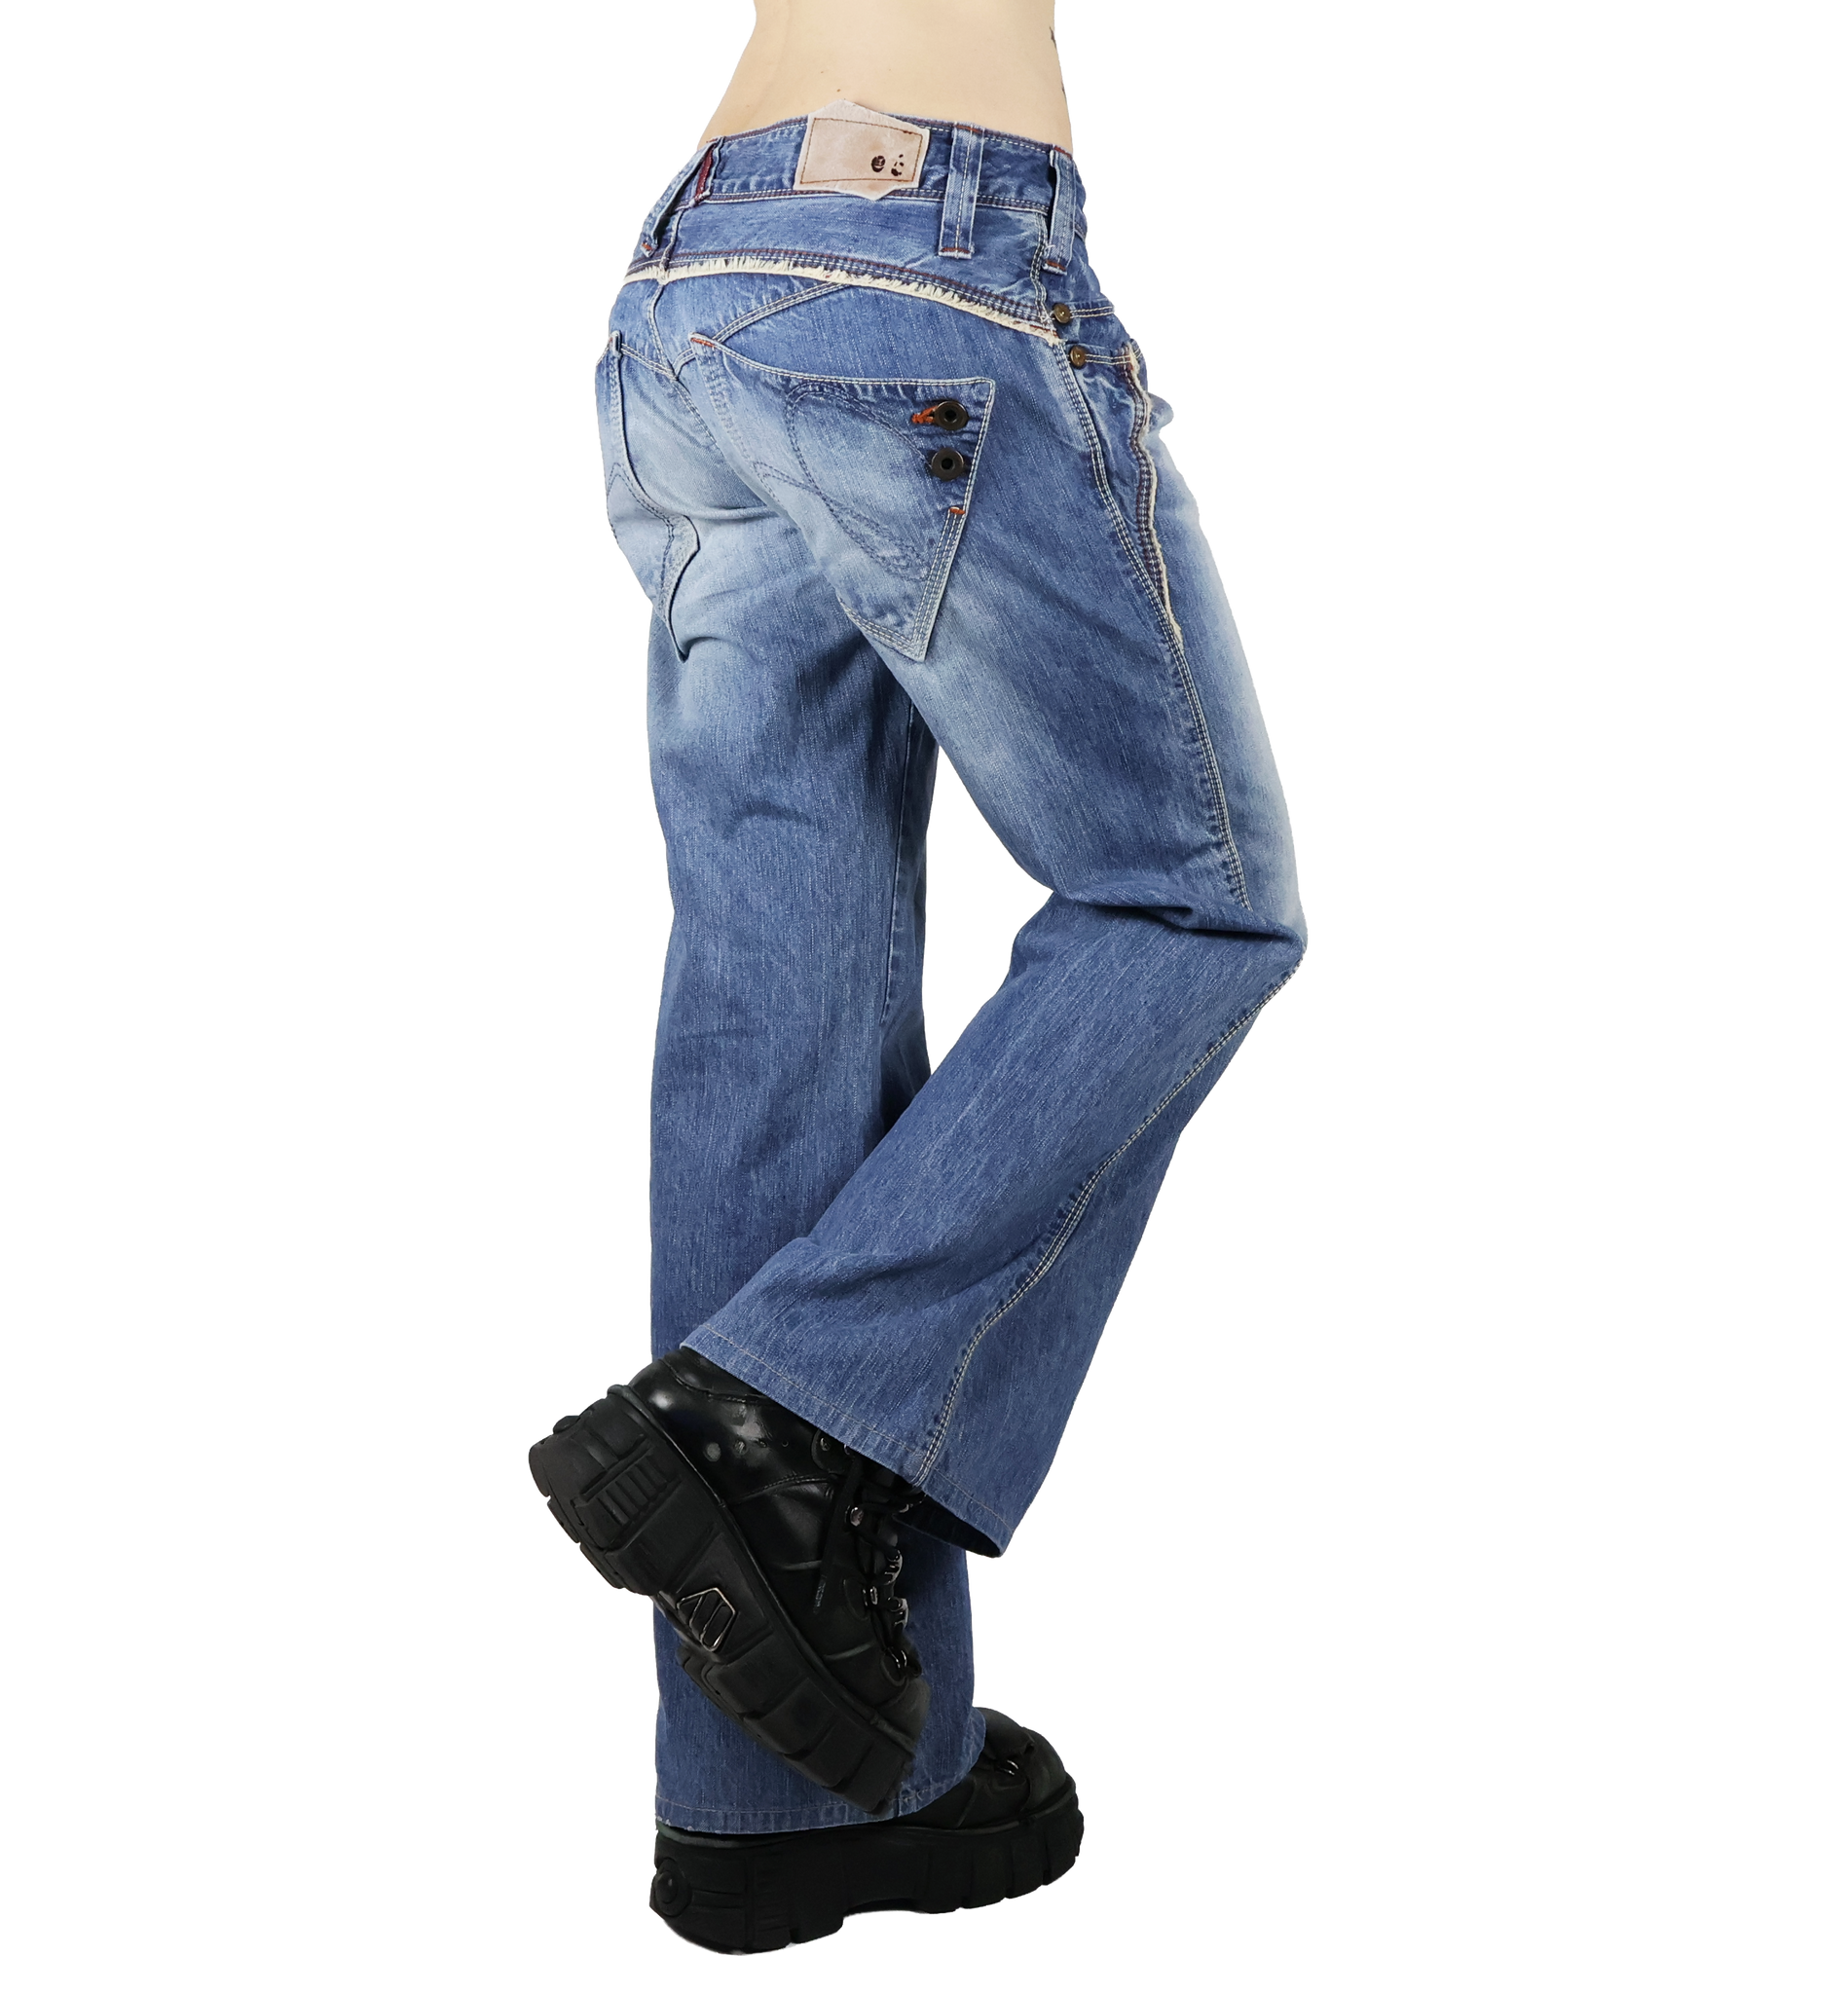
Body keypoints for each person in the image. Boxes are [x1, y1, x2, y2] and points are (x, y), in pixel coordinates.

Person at [528, 0, 1309, 1956]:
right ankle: (771, 1414)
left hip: (692, 285)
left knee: (776, 991)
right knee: (1191, 900)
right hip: (920, 252)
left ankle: (792, 1801)